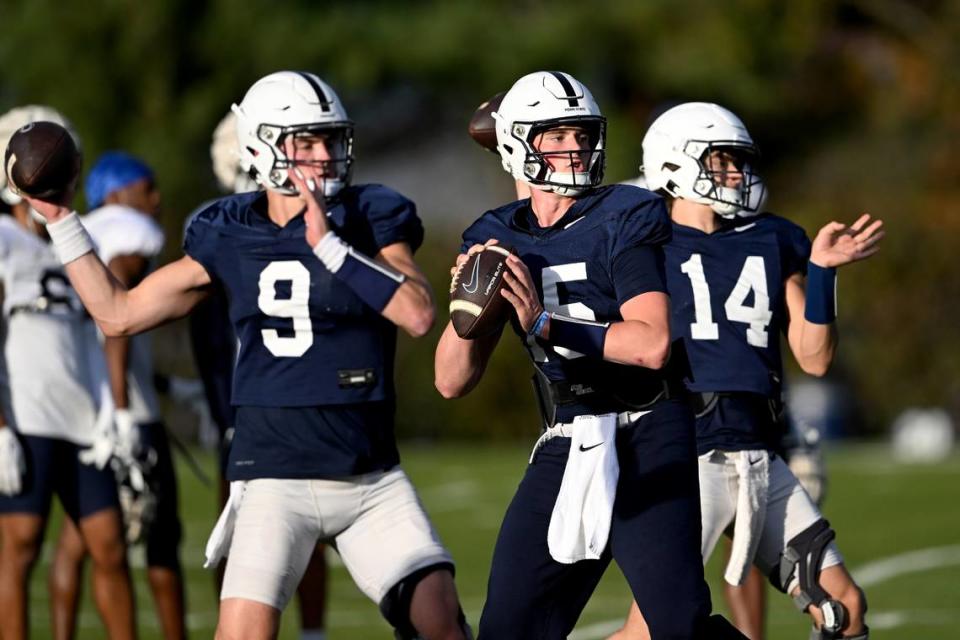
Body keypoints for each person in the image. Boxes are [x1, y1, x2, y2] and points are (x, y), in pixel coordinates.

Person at [24, 70, 471, 640]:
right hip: (273, 482)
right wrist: (62, 222)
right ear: (262, 147)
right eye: (305, 142)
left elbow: (416, 312)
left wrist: (331, 249)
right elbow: (119, 313)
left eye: (330, 140)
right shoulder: (228, 231)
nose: (324, 155)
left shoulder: (369, 216)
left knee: (442, 627)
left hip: (369, 481)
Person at [435, 71, 746, 640]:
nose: (575, 147)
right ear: (516, 144)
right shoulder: (494, 232)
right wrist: (467, 310)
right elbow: (451, 382)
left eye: (581, 134)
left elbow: (651, 344)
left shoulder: (625, 214)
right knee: (508, 629)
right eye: (556, 136)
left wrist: (546, 324)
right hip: (569, 433)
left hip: (649, 425)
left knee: (675, 626)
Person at [607, 102, 882, 640]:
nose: (736, 173)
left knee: (843, 607)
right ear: (673, 164)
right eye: (721, 160)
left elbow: (814, 356)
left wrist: (823, 273)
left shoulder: (773, 237)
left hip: (758, 449)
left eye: (738, 161)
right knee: (653, 632)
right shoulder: (638, 239)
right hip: (685, 450)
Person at [0, 105, 137, 640]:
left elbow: (100, 329)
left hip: (83, 417)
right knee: (22, 543)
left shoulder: (79, 238)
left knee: (109, 543)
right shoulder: (4, 239)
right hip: (26, 411)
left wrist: (111, 409)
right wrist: (1, 427)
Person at [196, 110, 330, 640]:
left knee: (317, 521)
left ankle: (311, 631)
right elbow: (204, 330)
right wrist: (216, 403)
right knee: (232, 533)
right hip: (248, 397)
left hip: (303, 396)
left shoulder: (310, 217)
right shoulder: (221, 226)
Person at [47, 150, 187, 639]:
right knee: (162, 541)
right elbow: (118, 321)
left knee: (77, 543)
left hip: (86, 414)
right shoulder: (132, 230)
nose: (156, 199)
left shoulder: (78, 231)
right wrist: (127, 409)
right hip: (127, 415)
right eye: (146, 188)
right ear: (116, 195)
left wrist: (166, 385)